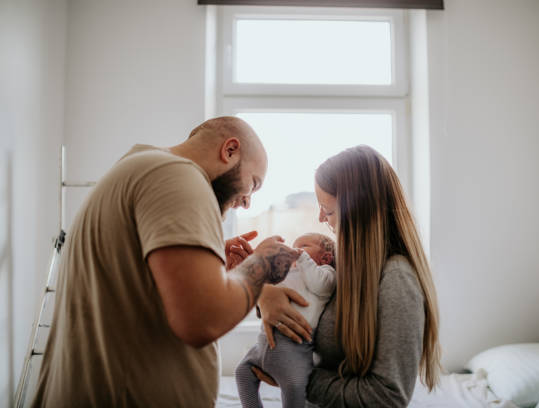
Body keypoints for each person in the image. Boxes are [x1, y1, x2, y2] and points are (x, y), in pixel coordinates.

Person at [32, 117, 300, 407]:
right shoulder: (178, 177)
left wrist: (212, 264)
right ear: (230, 150)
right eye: (254, 184)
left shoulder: (141, 166)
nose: (247, 202)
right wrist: (261, 264)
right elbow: (202, 319)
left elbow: (135, 282)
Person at [249, 145, 442, 407]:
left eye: (327, 211)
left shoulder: (396, 280)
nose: (320, 218)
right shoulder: (344, 264)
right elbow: (301, 296)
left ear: (357, 212)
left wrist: (297, 377)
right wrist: (265, 295)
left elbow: (387, 397)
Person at [235, 233, 336, 408]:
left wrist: (302, 257)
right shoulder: (290, 272)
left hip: (293, 348)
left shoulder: (326, 273)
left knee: (293, 387)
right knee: (242, 372)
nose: (295, 250)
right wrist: (256, 262)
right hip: (264, 341)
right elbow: (266, 292)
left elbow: (320, 285)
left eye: (303, 246)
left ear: (325, 257)